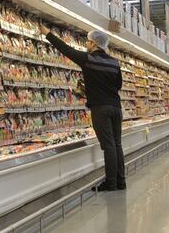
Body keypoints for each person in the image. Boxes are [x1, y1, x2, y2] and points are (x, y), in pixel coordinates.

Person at [40, 25, 126, 192]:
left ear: (94, 44)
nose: (86, 44)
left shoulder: (88, 59)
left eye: (88, 42)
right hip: (116, 107)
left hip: (100, 109)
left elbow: (66, 50)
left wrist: (47, 34)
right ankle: (121, 181)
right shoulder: (114, 63)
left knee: (108, 145)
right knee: (117, 144)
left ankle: (111, 183)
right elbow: (118, 85)